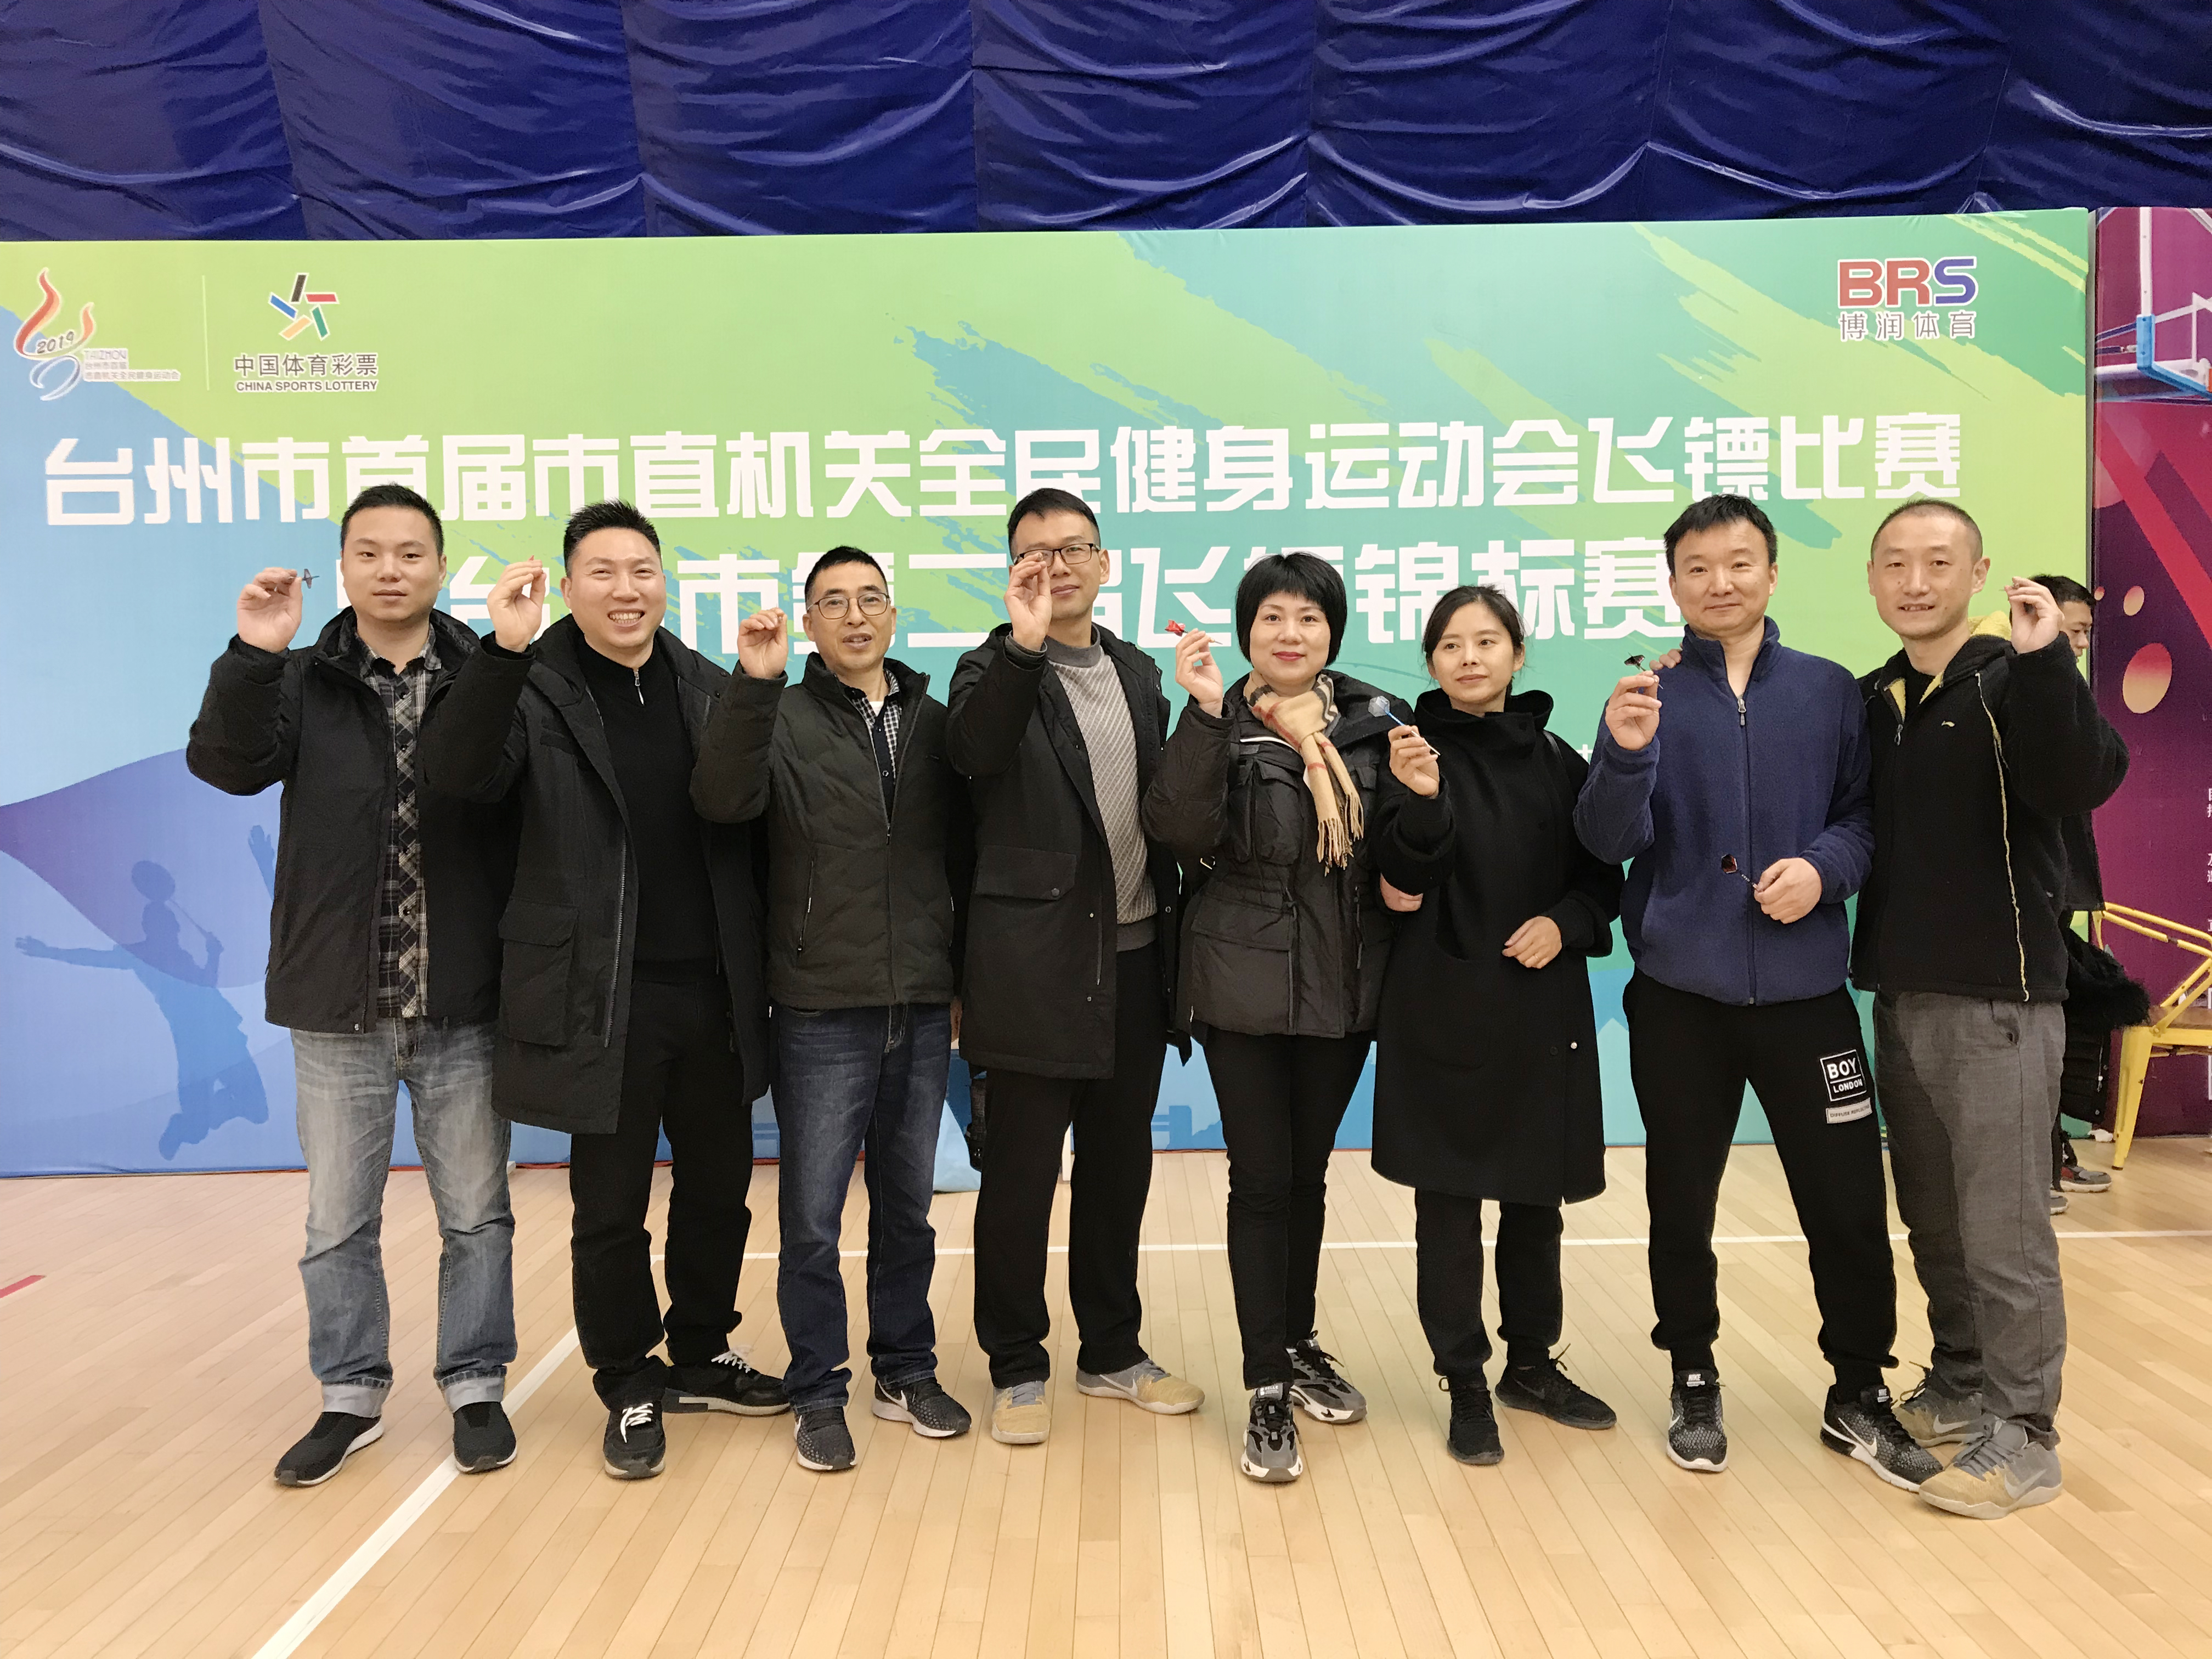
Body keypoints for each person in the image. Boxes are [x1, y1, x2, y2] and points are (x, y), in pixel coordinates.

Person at [1575, 494, 1937, 1492]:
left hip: (1808, 995)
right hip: (1678, 997)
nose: (1719, 582)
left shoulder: (1830, 691)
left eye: (1739, 563)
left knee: (1847, 1202)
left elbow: (1864, 818)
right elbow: (1605, 841)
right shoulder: (1644, 692)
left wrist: (1823, 870)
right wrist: (1624, 752)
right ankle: (1692, 1373)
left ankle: (1857, 1387)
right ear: (1673, 583)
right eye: (1697, 567)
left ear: (1772, 573)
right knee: (1679, 1199)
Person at [420, 499, 786, 1483]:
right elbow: (457, 777)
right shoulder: (530, 686)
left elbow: (738, 810)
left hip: (711, 990)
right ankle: (627, 1376)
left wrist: (757, 691)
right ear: (569, 587)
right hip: (596, 995)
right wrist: (501, 653)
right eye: (603, 572)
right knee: (611, 1206)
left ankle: (701, 1350)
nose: (626, 590)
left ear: (665, 582)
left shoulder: (708, 684)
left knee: (718, 1191)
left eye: (642, 571)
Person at [185, 483, 520, 1487]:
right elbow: (224, 763)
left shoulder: (488, 671)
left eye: (411, 552)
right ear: (342, 568)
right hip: (339, 1001)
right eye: (369, 552)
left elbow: (505, 784)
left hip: (463, 999)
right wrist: (253, 653)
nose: (390, 569)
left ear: (441, 566)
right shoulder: (301, 677)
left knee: (478, 1215)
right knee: (337, 1220)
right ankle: (350, 1392)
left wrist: (505, 660)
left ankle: (475, 1384)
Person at [1857, 500, 2128, 1519]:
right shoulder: (1879, 697)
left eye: (1938, 562)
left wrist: (2052, 661)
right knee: (1933, 1219)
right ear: (1872, 579)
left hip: (2003, 1002)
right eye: (1896, 563)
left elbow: (2081, 777)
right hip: (1901, 994)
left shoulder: (2018, 679)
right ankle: (1964, 1380)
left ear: (1977, 574)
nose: (1915, 581)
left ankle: (2026, 1435)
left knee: (2004, 1231)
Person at [690, 546, 974, 1473]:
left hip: (919, 1001)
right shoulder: (777, 713)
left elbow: (961, 857)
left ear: (893, 613)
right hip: (818, 1006)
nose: (855, 615)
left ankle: (906, 1368)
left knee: (908, 1209)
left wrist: (957, 978)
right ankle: (818, 1386)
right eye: (833, 602)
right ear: (807, 622)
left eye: (870, 599)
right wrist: (753, 686)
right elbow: (721, 801)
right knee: (812, 1219)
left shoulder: (935, 720)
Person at [947, 487, 1203, 1446]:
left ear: (1104, 562)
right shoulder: (987, 668)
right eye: (1034, 552)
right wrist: (1023, 646)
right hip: (1032, 968)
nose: (1055, 565)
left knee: (1116, 1169)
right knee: (1019, 1179)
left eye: (1072, 548)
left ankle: (1112, 1350)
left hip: (1134, 962)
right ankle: (1017, 1363)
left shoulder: (1136, 670)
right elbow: (975, 757)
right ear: (1013, 571)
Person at [1141, 553, 1397, 1483]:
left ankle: (1296, 1339)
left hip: (1344, 984)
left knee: (1306, 1175)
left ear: (1333, 631)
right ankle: (1265, 1384)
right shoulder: (1221, 717)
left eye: (1309, 618)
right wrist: (1206, 713)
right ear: (1247, 631)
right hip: (1239, 982)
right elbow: (1177, 828)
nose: (1291, 633)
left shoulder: (1374, 720)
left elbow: (1400, 850)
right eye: (1273, 617)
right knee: (1260, 1179)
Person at [1368, 585, 1625, 1467]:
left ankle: (1530, 1365)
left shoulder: (1560, 760)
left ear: (1518, 654)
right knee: (1446, 1208)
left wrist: (1566, 922)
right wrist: (1423, 797)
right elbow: (1401, 877)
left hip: (1538, 1007)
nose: (1469, 657)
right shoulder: (1407, 752)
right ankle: (1464, 1379)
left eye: (1486, 641)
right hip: (1438, 1003)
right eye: (1450, 644)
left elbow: (1603, 881)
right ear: (1431, 662)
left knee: (1535, 1200)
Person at [1970, 574, 2118, 1210]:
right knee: (2011, 1046)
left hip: (2056, 892)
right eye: (2071, 628)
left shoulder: (2062, 689)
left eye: (2082, 632)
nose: (2077, 642)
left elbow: (2098, 772)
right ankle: (2031, 1169)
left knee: (2053, 1038)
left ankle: (2051, 1157)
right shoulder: (1997, 681)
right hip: (2009, 899)